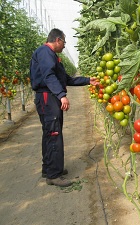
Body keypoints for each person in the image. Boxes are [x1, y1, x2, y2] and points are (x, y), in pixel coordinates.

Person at [30, 28, 99, 187]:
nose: (64, 46)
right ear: (58, 40)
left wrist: (88, 80)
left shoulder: (51, 56)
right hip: (48, 97)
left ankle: (49, 168)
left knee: (49, 132)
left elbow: (65, 79)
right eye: (64, 42)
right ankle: (54, 175)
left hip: (49, 96)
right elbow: (48, 76)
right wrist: (61, 95)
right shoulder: (45, 52)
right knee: (53, 133)